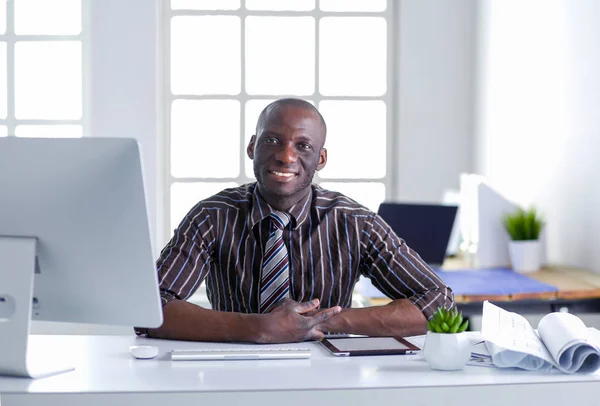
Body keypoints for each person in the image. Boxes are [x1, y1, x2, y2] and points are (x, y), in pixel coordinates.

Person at [136, 98, 454, 343]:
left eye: (303, 146)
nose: (286, 156)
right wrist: (260, 329)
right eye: (272, 140)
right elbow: (150, 309)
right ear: (252, 146)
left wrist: (321, 321)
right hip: (232, 369)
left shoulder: (355, 222)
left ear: (321, 159)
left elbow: (439, 303)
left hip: (327, 379)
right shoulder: (213, 215)